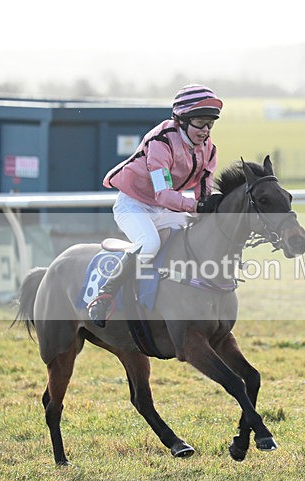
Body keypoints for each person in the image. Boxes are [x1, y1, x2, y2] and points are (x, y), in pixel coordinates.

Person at [87, 84, 223, 327]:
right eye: (200, 123)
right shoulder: (161, 142)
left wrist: (208, 208)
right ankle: (104, 296)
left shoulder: (209, 150)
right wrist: (196, 207)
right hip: (134, 206)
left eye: (210, 124)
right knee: (149, 243)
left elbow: (204, 193)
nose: (206, 131)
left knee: (195, 234)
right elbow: (163, 194)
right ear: (182, 120)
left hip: (164, 209)